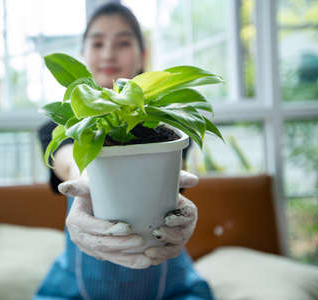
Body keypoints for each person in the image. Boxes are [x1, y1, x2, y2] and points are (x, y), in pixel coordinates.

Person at [36, 3, 214, 299]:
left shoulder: (169, 123)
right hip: (76, 287)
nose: (108, 53)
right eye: (97, 43)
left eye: (122, 42)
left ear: (143, 56)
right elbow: (68, 161)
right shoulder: (62, 125)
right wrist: (88, 181)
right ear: (82, 55)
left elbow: (167, 172)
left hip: (169, 285)